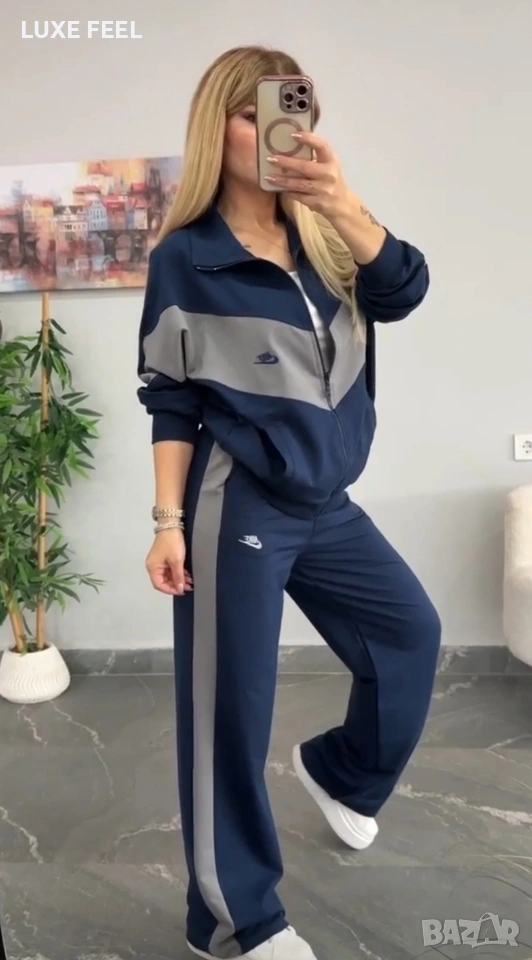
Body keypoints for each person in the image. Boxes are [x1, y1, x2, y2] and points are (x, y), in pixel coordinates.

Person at [137, 45, 441, 960]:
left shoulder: (328, 237)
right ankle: (233, 918)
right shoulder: (187, 259)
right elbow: (169, 398)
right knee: (230, 710)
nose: (282, 129)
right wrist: (166, 522)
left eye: (296, 108)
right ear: (218, 127)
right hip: (236, 503)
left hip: (328, 502)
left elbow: (406, 289)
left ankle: (342, 772)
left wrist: (342, 204)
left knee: (409, 634)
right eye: (256, 112)